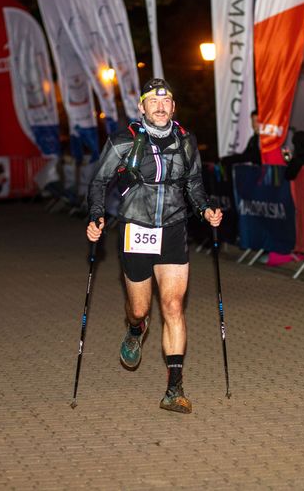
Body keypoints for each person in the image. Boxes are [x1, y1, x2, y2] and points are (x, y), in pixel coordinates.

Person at [86, 78, 222, 414]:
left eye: (166, 102)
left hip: (173, 229)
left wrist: (205, 210)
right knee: (139, 309)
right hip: (136, 229)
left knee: (173, 306)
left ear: (172, 107)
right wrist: (96, 216)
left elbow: (194, 183)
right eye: (153, 102)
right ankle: (135, 329)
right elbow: (99, 181)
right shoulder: (123, 141)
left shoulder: (185, 140)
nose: (160, 107)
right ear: (142, 107)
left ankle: (174, 389)